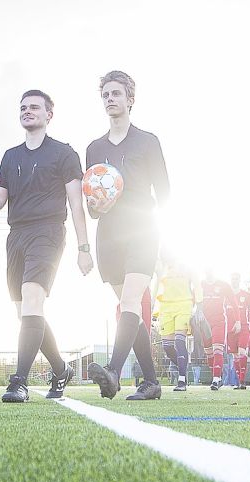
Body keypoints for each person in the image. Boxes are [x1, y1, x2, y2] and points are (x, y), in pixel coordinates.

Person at [0, 90, 90, 403]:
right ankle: (61, 369)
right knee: (25, 312)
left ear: (49, 115)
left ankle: (18, 381)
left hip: (48, 233)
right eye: (23, 107)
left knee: (33, 299)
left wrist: (84, 248)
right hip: (16, 235)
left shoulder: (64, 153)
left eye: (34, 107)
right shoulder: (10, 156)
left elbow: (76, 203)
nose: (27, 111)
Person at [85, 71, 170, 401]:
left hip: (142, 229)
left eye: (116, 93)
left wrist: (168, 242)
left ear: (130, 99)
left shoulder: (148, 141)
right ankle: (151, 382)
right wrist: (95, 205)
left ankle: (114, 372)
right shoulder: (94, 148)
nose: (110, 98)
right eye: (105, 94)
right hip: (108, 234)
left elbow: (164, 193)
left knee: (131, 303)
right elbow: (91, 207)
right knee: (128, 307)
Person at [153, 256, 200, 391]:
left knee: (180, 341)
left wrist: (199, 306)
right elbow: (156, 285)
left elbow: (197, 285)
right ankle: (182, 366)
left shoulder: (187, 266)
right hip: (166, 309)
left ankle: (182, 379)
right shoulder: (161, 267)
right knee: (167, 347)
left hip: (184, 306)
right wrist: (152, 307)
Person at [200, 272, 240, 390]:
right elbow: (193, 301)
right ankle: (216, 375)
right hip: (204, 323)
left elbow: (234, 303)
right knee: (209, 353)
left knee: (218, 349)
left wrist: (237, 321)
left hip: (219, 322)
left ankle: (216, 379)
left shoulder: (224, 285)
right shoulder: (200, 284)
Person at [229, 273, 250, 389]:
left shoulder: (246, 295)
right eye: (233, 278)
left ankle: (242, 381)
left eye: (236, 279)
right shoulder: (227, 296)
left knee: (242, 352)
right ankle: (239, 381)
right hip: (230, 329)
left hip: (244, 328)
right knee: (235, 356)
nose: (234, 281)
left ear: (239, 280)